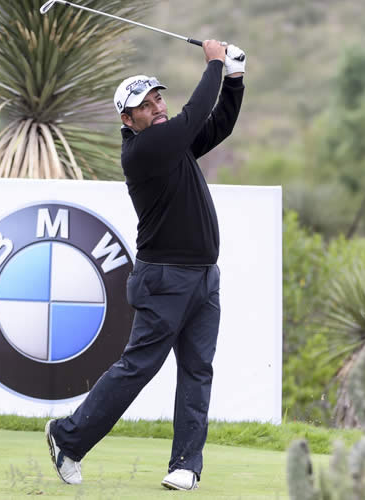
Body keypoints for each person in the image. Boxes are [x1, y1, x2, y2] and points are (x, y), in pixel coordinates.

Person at [45, 39, 246, 491]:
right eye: (145, 104)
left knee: (198, 369)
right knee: (138, 367)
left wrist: (234, 79)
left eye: (158, 99)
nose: (156, 107)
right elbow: (194, 115)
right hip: (164, 279)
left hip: (202, 279)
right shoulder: (145, 152)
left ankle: (184, 465)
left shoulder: (174, 147)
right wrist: (214, 63)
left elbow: (218, 125)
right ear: (127, 119)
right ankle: (67, 437)